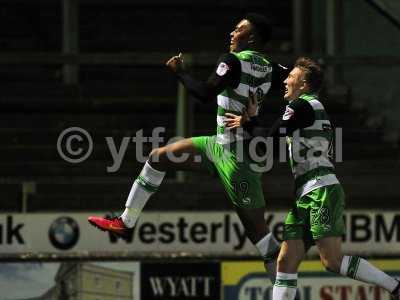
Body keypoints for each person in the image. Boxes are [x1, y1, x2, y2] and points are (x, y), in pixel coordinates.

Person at [88, 13, 288, 284]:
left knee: (262, 239)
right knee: (158, 157)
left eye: (238, 29)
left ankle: (286, 290)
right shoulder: (273, 69)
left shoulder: (232, 61)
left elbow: (205, 94)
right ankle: (125, 222)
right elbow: (293, 85)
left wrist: (180, 72)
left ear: (251, 37)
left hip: (238, 159)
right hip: (217, 144)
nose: (232, 33)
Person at [224, 57, 400, 299]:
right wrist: (251, 123)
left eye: (291, 77)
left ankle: (395, 286)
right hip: (305, 194)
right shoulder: (307, 108)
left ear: (304, 84)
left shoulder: (301, 105)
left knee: (332, 261)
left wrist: (249, 122)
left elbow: (270, 138)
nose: (285, 80)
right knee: (284, 262)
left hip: (320, 189)